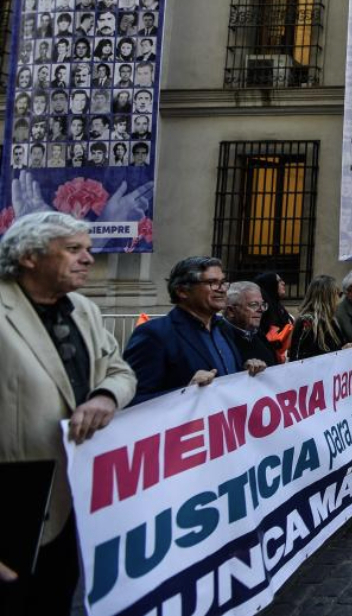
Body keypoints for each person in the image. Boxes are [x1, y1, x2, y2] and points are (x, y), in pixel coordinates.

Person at [0, 213, 138, 616]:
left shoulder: (83, 310)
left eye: (89, 249)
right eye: (73, 249)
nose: (88, 259)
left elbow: (118, 370)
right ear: (29, 256)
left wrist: (106, 397)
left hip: (73, 499)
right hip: (11, 504)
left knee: (55, 600)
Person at [124, 257, 266, 403]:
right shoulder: (154, 334)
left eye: (223, 282)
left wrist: (246, 372)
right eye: (212, 283)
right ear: (182, 291)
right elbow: (131, 400)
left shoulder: (224, 329)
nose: (222, 289)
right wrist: (186, 391)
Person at [290, 275, 351, 360]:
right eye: (338, 294)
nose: (339, 300)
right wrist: (341, 351)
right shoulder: (307, 321)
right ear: (327, 297)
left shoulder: (332, 321)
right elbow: (301, 358)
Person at [221, 281, 279, 367]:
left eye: (262, 304)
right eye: (253, 305)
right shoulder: (220, 338)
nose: (261, 310)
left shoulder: (259, 335)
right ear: (231, 311)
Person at [253, 271, 293, 360]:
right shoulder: (264, 310)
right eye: (279, 281)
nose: (283, 283)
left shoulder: (280, 308)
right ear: (270, 285)